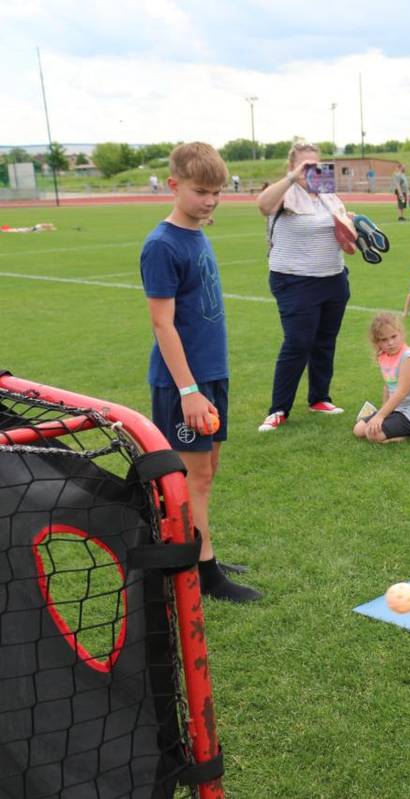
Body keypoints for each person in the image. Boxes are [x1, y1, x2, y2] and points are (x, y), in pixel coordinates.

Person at [138, 142, 260, 603]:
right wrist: (189, 390)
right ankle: (204, 570)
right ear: (174, 185)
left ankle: (203, 550)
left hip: (211, 374)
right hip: (183, 383)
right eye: (201, 191)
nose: (210, 200)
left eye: (217, 193)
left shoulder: (197, 233)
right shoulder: (162, 245)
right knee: (194, 477)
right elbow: (161, 323)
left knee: (208, 470)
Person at [255, 140, 353, 432]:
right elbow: (263, 205)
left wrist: (353, 229)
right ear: (292, 166)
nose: (312, 170)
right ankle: (278, 409)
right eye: (304, 165)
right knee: (298, 343)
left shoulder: (327, 194)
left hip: (333, 278)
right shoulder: (285, 194)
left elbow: (344, 236)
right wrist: (291, 178)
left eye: (316, 164)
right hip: (295, 280)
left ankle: (319, 398)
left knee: (325, 342)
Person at [354, 313, 410, 444]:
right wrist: (383, 412)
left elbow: (402, 391)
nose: (390, 343)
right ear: (377, 342)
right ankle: (393, 426)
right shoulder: (383, 356)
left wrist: (381, 416)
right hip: (397, 410)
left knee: (372, 435)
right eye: (384, 340)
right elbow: (387, 386)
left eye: (394, 337)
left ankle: (407, 435)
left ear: (401, 334)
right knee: (359, 430)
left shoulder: (408, 357)